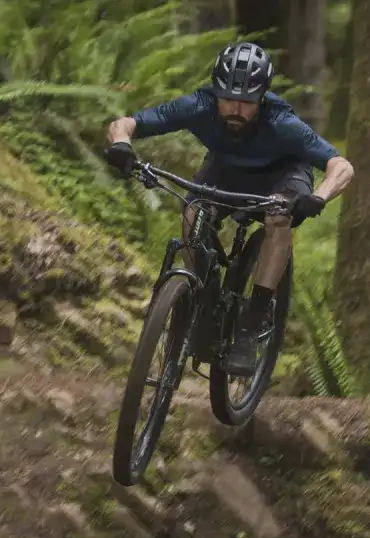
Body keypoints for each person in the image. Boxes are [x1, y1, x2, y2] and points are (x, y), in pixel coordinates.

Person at [103, 42, 355, 378]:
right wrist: (122, 145)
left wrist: (319, 197)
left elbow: (341, 166)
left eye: (246, 102)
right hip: (225, 168)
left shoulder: (282, 122)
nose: (235, 108)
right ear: (216, 92)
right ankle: (205, 301)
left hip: (283, 175)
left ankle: (251, 325)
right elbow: (125, 124)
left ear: (262, 98)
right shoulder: (199, 105)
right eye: (227, 98)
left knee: (278, 220)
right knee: (192, 212)